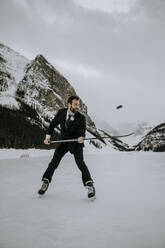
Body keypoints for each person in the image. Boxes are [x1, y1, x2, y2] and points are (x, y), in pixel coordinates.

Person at [38, 95, 96, 200]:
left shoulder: (81, 118)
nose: (77, 107)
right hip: (64, 142)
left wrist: (81, 137)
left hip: (75, 143)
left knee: (80, 164)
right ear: (69, 104)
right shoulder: (61, 113)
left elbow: (82, 132)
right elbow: (52, 125)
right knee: (54, 162)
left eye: (78, 105)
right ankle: (45, 181)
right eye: (75, 104)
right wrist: (47, 137)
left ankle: (90, 185)